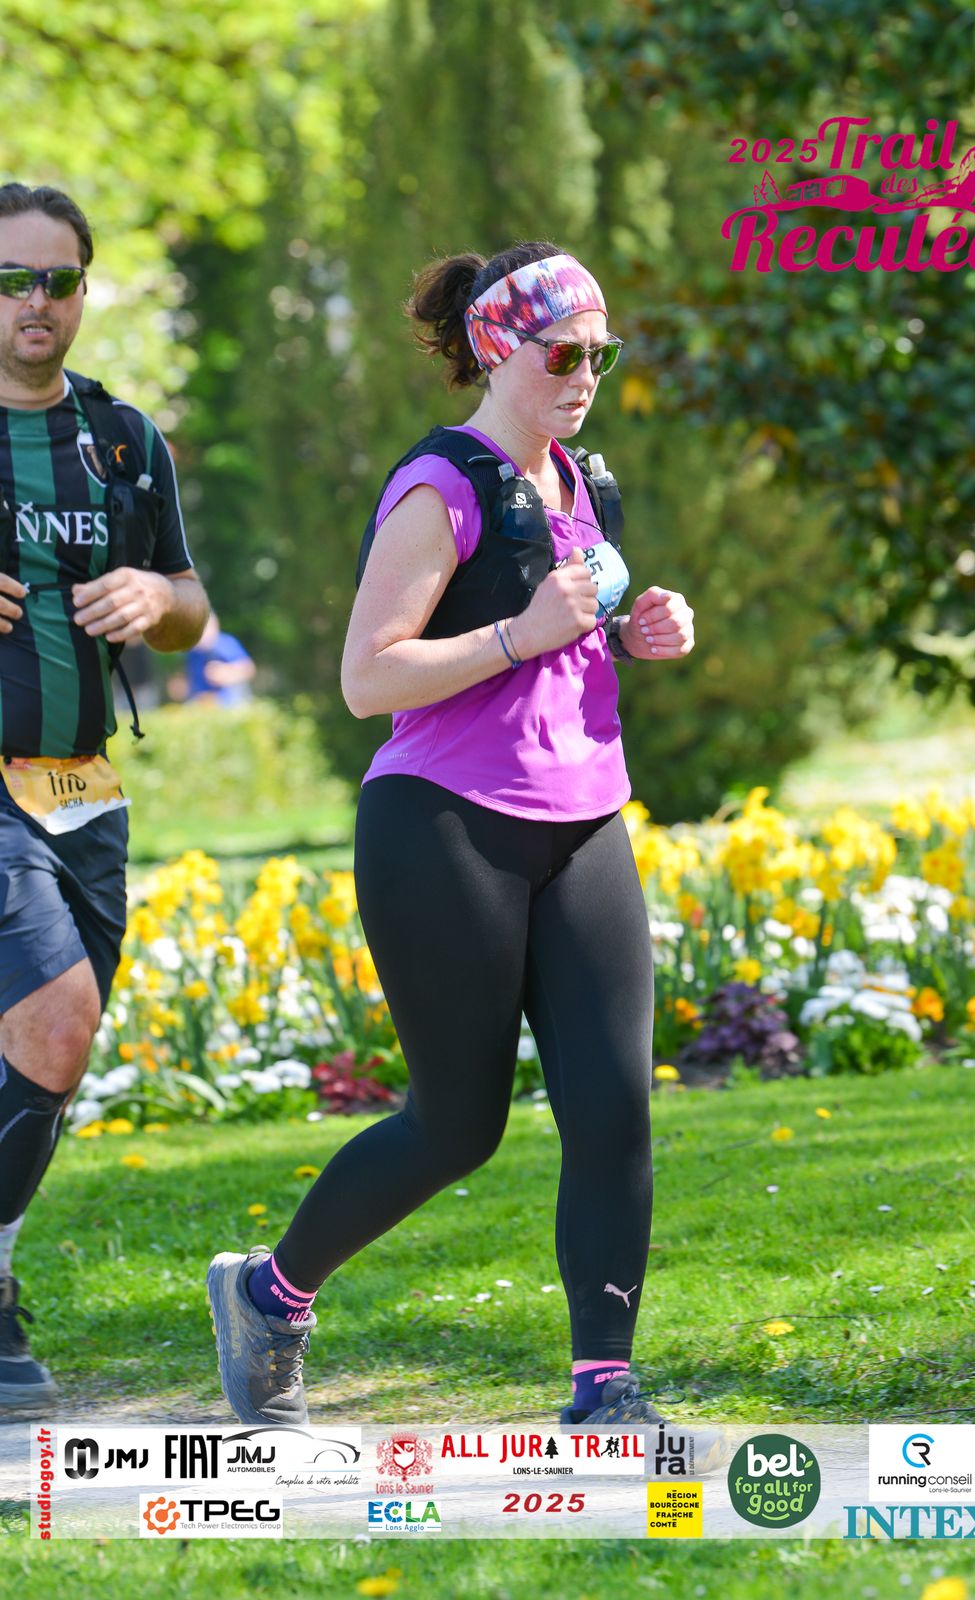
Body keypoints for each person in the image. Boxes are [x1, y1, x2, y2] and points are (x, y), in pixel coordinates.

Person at [207, 241, 695, 1430]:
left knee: (614, 1108)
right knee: (456, 1124)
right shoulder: (440, 485)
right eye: (560, 355)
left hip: (583, 820)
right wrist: (523, 634)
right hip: (443, 827)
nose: (584, 377)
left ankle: (603, 1384)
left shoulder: (583, 482)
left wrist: (630, 633)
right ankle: (270, 1293)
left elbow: (564, 634)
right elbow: (366, 677)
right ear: (496, 348)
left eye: (599, 354)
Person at [0, 183, 209, 1410]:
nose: (36, 300)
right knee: (55, 1018)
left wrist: (156, 599)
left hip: (85, 791)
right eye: (11, 279)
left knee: (49, 1055)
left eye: (58, 279)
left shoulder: (122, 438)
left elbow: (192, 603)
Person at [172, 609, 255, 705]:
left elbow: (249, 669)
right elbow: (183, 679)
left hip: (229, 699)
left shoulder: (226, 644)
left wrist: (228, 672)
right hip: (201, 700)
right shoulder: (192, 651)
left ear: (215, 626)